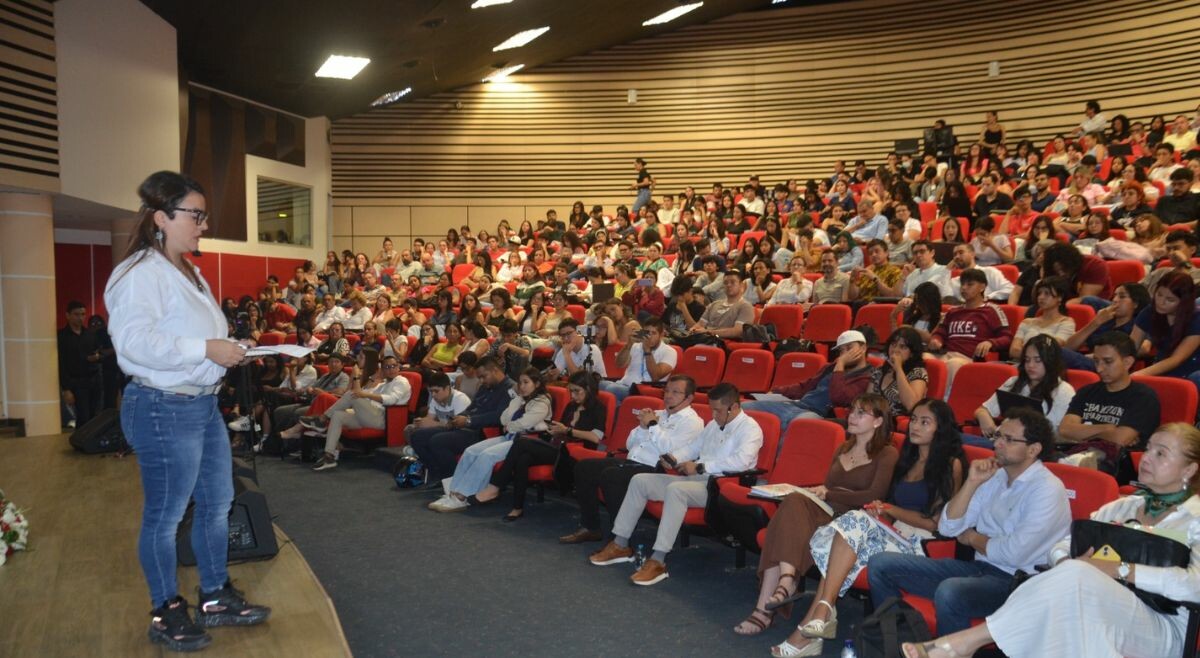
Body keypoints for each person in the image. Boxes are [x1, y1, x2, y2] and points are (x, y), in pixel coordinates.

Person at [105, 171, 268, 651]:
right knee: (166, 515)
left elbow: (198, 337)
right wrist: (206, 348)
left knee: (218, 504)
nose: (202, 224)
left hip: (199, 405)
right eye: (194, 215)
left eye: (203, 215)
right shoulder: (139, 273)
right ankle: (165, 610)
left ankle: (215, 596)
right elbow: (135, 343)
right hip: (162, 406)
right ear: (161, 218)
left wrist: (232, 346)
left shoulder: (186, 270)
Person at [903, 423, 1200, 658]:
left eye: (1161, 453)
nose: (1146, 458)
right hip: (1095, 606)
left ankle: (965, 643)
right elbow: (1062, 546)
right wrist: (1068, 563)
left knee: (1074, 581)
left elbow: (1194, 585)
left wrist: (1119, 569)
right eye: (1148, 449)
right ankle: (962, 646)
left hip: (1162, 626)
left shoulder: (1195, 518)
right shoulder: (1121, 506)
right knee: (1071, 582)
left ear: (1189, 469)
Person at [761, 400, 964, 656]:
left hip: (921, 543)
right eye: (913, 419)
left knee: (852, 528)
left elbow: (936, 524)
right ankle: (816, 621)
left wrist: (889, 509)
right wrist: (883, 514)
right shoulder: (907, 461)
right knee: (845, 538)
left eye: (925, 422)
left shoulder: (950, 464)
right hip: (892, 532)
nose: (915, 426)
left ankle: (813, 623)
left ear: (941, 428)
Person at [867, 407, 1071, 636]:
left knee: (950, 592)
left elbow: (1015, 553)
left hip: (1018, 584)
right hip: (979, 568)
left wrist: (972, 537)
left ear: (1033, 449)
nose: (997, 444)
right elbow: (948, 527)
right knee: (880, 565)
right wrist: (972, 482)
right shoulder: (995, 476)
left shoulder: (1046, 490)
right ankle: (899, 645)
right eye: (998, 436)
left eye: (1008, 439)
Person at [747, 394, 898, 653]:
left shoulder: (887, 453)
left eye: (861, 413)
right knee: (792, 502)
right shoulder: (843, 447)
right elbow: (829, 485)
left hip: (853, 519)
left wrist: (829, 493)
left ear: (878, 421)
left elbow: (874, 495)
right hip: (826, 509)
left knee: (781, 524)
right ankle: (785, 580)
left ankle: (766, 607)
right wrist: (821, 491)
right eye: (852, 410)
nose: (852, 416)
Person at [589, 383, 763, 586]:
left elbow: (741, 462)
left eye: (718, 410)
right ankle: (620, 543)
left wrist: (699, 467)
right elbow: (693, 447)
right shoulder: (714, 425)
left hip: (720, 486)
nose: (714, 415)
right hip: (695, 481)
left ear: (733, 407)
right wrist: (672, 458)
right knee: (640, 481)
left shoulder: (750, 429)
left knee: (676, 490)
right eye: (712, 409)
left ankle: (658, 560)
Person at [559, 374, 705, 544]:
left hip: (655, 469)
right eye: (667, 391)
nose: (668, 395)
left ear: (689, 398)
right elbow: (629, 444)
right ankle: (590, 527)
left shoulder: (693, 422)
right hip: (632, 461)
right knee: (584, 467)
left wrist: (652, 426)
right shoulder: (658, 414)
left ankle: (620, 538)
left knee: (611, 475)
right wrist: (643, 428)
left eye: (675, 392)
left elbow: (669, 450)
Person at [481, 371, 607, 520]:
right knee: (523, 458)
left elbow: (595, 437)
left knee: (522, 442)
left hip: (577, 455)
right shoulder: (572, 406)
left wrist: (568, 430)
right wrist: (554, 430)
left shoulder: (598, 408)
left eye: (577, 391)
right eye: (571, 391)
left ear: (589, 389)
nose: (573, 396)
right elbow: (560, 429)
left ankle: (496, 485)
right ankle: (517, 507)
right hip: (560, 447)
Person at [428, 367, 553, 512]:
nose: (522, 386)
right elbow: (503, 418)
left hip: (525, 442)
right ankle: (453, 492)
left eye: (526, 382)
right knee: (471, 451)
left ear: (537, 384)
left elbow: (525, 423)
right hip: (509, 436)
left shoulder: (542, 402)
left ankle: (463, 496)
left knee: (487, 456)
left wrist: (510, 425)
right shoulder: (520, 400)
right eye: (520, 383)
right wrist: (517, 402)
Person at [1059, 331, 1160, 476]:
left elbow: (1121, 438)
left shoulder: (1143, 397)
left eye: (1107, 362)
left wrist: (1083, 431)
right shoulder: (1086, 392)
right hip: (1076, 454)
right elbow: (1066, 430)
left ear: (1128, 362)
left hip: (1117, 466)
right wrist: (1108, 428)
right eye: (1096, 361)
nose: (1099, 368)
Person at [407, 356, 514, 486]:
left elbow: (499, 416)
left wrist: (469, 420)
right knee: (417, 436)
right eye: (479, 377)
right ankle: (438, 473)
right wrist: (457, 418)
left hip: (485, 433)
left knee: (438, 441)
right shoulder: (485, 387)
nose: (481, 380)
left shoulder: (510, 389)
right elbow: (472, 408)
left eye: (483, 376)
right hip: (468, 426)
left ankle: (453, 481)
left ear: (495, 370)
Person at [301, 353, 412, 471]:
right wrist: (365, 378)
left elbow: (391, 400)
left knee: (352, 395)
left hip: (384, 418)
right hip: (369, 415)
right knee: (338, 415)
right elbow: (362, 392)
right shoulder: (384, 384)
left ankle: (322, 419)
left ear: (399, 367)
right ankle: (329, 456)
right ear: (382, 369)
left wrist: (359, 384)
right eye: (387, 367)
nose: (391, 370)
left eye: (393, 366)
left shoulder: (401, 381)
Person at [742, 330, 873, 428]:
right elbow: (804, 387)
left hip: (820, 414)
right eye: (841, 350)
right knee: (742, 407)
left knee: (800, 425)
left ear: (863, 348)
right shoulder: (830, 368)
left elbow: (838, 397)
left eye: (849, 348)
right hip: (799, 405)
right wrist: (777, 392)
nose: (845, 354)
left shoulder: (868, 377)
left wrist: (840, 364)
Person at [969, 335, 1076, 448]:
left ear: (1051, 362)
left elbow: (1058, 434)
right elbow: (982, 410)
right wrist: (983, 416)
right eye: (1027, 360)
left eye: (1037, 360)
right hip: (1001, 441)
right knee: (957, 439)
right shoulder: (1014, 382)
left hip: (1028, 448)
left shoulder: (1063, 390)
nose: (1030, 365)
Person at [928, 268, 1013, 387]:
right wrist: (936, 340)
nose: (964, 288)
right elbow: (940, 332)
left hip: (969, 358)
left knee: (953, 364)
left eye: (970, 284)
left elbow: (1007, 338)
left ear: (982, 287)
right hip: (946, 354)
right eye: (962, 284)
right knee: (924, 358)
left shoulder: (991, 310)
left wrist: (990, 342)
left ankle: (945, 401)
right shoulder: (953, 311)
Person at [1131, 270, 1200, 387]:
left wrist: (1136, 376)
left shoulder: (1196, 318)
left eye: (1170, 300)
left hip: (1191, 370)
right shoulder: (1150, 311)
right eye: (1159, 294)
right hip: (1161, 366)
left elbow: (1176, 359)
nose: (1161, 302)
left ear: (1184, 302)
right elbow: (1131, 347)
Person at [599, 318, 677, 403]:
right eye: (647, 333)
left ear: (661, 335)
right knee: (597, 385)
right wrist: (628, 345)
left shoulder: (669, 352)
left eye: (653, 333)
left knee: (612, 389)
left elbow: (656, 376)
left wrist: (647, 350)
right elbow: (619, 364)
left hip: (644, 390)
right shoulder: (636, 346)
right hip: (623, 384)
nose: (649, 337)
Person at [58, 300, 105, 427]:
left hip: (94, 380)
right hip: (76, 382)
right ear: (68, 315)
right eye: (76, 314)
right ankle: (81, 443)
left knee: (95, 416)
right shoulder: (61, 337)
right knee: (83, 417)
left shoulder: (90, 335)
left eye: (83, 314)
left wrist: (97, 357)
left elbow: (100, 354)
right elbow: (61, 364)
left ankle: (91, 443)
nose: (80, 318)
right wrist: (66, 389)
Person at [1007, 276, 1075, 359]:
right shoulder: (1027, 322)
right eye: (1039, 293)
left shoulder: (1066, 323)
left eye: (1047, 293)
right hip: (1019, 363)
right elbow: (1013, 351)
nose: (1041, 297)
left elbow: (1051, 350)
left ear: (1060, 297)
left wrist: (1028, 355)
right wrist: (1033, 357)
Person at [688, 269, 755, 338]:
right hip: (705, 339)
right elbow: (700, 324)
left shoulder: (746, 306)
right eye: (725, 283)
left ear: (741, 285)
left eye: (732, 282)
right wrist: (693, 329)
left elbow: (738, 331)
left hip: (722, 343)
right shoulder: (713, 305)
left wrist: (708, 332)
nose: (728, 285)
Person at [948, 243, 1013, 302]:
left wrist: (988, 297)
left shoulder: (989, 272)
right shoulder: (954, 281)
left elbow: (1010, 289)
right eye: (955, 254)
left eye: (961, 253)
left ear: (972, 254)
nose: (957, 257)